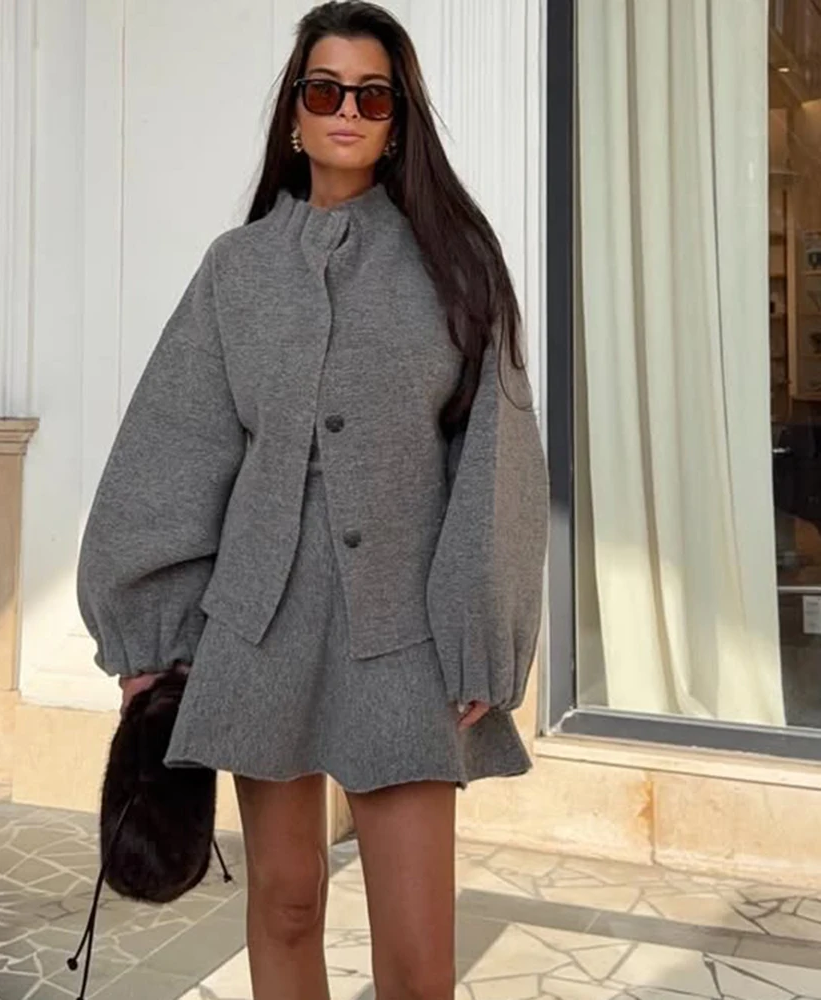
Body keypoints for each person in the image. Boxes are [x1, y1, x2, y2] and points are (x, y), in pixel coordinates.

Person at [77, 2, 548, 997]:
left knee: (417, 957)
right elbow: (176, 443)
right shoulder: (236, 269)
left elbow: (495, 459)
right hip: (262, 625)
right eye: (325, 90)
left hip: (405, 633)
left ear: (397, 120)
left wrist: (482, 631)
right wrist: (151, 636)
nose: (346, 111)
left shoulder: (456, 262)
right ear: (294, 112)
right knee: (286, 903)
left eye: (371, 96)